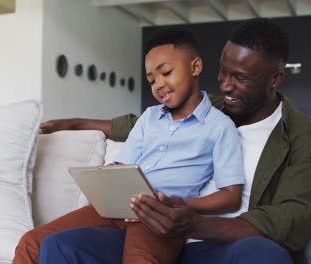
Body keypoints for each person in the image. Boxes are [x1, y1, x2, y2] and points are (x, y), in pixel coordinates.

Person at [29, 18, 311, 264]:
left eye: (240, 77)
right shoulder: (212, 108)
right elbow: (141, 125)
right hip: (158, 233)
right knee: (61, 246)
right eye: (223, 71)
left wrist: (192, 223)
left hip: (221, 247)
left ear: (275, 79)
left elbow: (290, 221)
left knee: (264, 255)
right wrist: (74, 123)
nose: (226, 85)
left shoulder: (309, 141)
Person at [14, 28, 246, 264]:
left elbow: (231, 196)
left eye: (166, 72)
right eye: (152, 80)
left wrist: (180, 206)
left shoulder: (219, 126)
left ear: (195, 67)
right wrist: (106, 178)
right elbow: (122, 164)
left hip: (160, 217)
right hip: (118, 207)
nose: (159, 84)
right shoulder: (149, 118)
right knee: (32, 243)